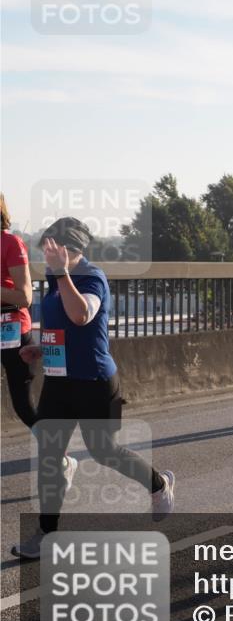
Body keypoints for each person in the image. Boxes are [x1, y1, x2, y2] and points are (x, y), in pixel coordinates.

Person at [11, 218, 176, 559]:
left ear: (72, 250)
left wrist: (62, 274)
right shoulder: (56, 279)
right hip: (58, 381)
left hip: (95, 382)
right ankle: (47, 534)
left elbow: (82, 316)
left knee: (104, 452)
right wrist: (41, 348)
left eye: (52, 250)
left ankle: (159, 485)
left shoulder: (92, 278)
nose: (46, 257)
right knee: (49, 455)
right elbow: (62, 326)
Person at [1, 193, 38, 428]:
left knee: (23, 405)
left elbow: (25, 297)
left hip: (12, 331)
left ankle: (59, 456)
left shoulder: (11, 243)